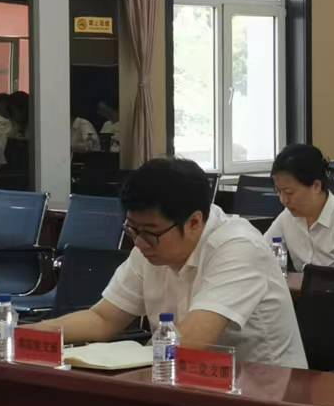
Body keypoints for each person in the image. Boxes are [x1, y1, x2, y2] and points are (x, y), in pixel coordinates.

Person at [25, 157, 307, 368]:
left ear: (194, 222)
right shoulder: (148, 243)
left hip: (268, 392)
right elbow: (103, 319)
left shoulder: (238, 247)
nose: (139, 242)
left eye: (150, 232)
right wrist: (30, 335)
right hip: (185, 380)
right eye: (132, 229)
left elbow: (192, 340)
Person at [266, 143, 334, 270]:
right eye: (278, 192)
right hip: (303, 283)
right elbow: (268, 256)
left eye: (289, 192)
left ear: (316, 186)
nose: (283, 200)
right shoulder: (286, 218)